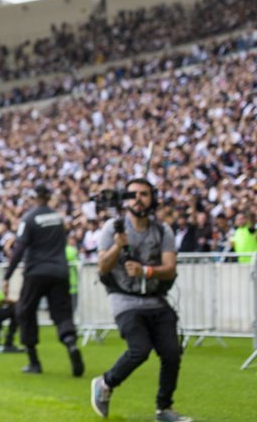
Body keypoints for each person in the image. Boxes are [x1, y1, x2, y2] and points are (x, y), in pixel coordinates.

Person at [91, 179, 191, 422]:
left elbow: (169, 268)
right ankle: (105, 383)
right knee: (140, 350)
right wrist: (117, 247)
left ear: (152, 198)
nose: (138, 199)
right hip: (124, 301)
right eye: (133, 194)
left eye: (144, 194)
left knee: (171, 353)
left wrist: (146, 271)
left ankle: (164, 409)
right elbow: (102, 267)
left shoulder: (162, 230)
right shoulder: (111, 228)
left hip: (156, 299)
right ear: (125, 200)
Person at [2, 184, 83, 377]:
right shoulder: (57, 219)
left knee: (25, 311)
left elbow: (19, 248)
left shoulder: (29, 218)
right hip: (59, 272)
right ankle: (70, 343)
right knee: (62, 313)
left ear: (34, 198)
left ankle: (34, 361)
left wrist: (7, 276)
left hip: (36, 272)